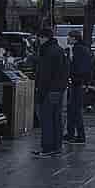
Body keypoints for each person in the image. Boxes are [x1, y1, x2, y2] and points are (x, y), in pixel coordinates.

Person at [33, 28, 68, 158]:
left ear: (44, 37)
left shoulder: (48, 51)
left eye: (39, 37)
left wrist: (40, 90)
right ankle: (56, 146)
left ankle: (47, 147)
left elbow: (45, 74)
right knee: (55, 118)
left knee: (47, 119)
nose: (38, 40)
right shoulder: (58, 50)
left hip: (49, 89)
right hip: (58, 89)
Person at [64, 30, 92, 144]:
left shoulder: (78, 49)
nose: (67, 39)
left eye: (69, 37)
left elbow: (78, 66)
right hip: (79, 82)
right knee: (73, 109)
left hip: (77, 82)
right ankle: (71, 134)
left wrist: (73, 76)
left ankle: (79, 135)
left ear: (74, 38)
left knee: (75, 109)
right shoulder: (82, 48)